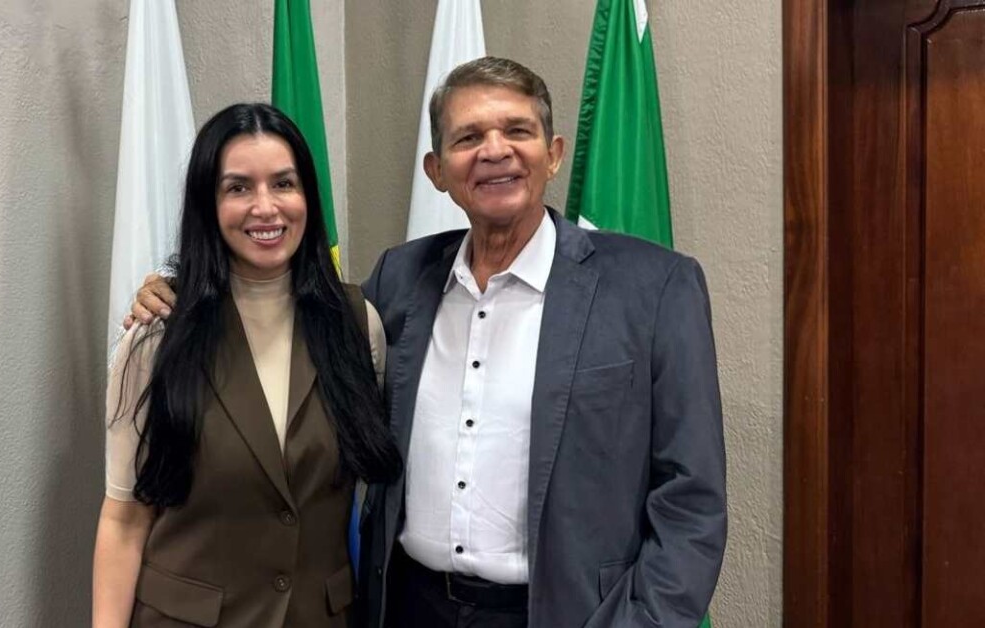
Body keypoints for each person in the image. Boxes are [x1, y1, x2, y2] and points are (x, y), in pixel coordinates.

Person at [128, 57, 726, 628]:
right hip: (408, 606)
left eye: (517, 130)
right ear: (437, 171)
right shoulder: (400, 280)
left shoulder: (654, 289)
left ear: (554, 154)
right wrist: (183, 296)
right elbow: (292, 325)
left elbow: (692, 502)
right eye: (468, 138)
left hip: (568, 613)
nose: (494, 150)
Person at [93, 103, 401, 628]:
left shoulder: (357, 325)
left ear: (307, 196)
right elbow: (124, 519)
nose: (265, 207)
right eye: (238, 187)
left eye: (283, 183)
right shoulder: (158, 335)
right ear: (208, 204)